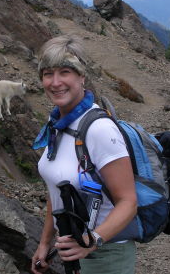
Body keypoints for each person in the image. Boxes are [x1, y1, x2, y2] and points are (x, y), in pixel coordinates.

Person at [31, 35, 138, 274]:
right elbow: (57, 189)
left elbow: (129, 202)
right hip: (74, 250)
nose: (55, 82)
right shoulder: (57, 123)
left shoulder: (99, 129)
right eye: (48, 74)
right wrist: (45, 243)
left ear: (82, 76)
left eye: (65, 72)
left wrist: (93, 241)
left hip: (106, 255)